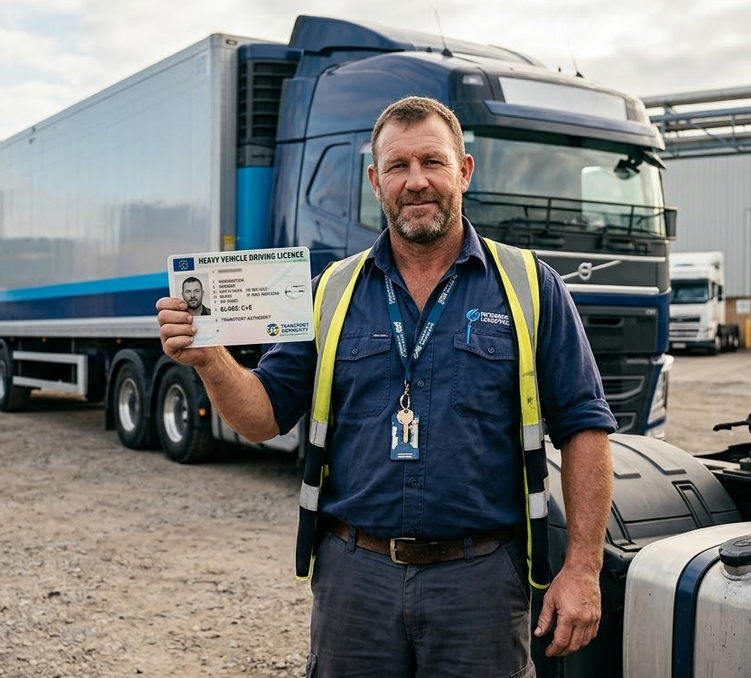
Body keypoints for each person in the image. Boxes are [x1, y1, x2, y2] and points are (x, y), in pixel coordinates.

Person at [157, 96, 615, 677]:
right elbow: (263, 416)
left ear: (465, 171)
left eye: (433, 162)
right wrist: (210, 360)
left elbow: (584, 426)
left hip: (480, 582)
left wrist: (582, 568)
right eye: (398, 167)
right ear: (375, 181)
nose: (416, 182)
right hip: (356, 582)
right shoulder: (331, 291)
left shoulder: (529, 285)